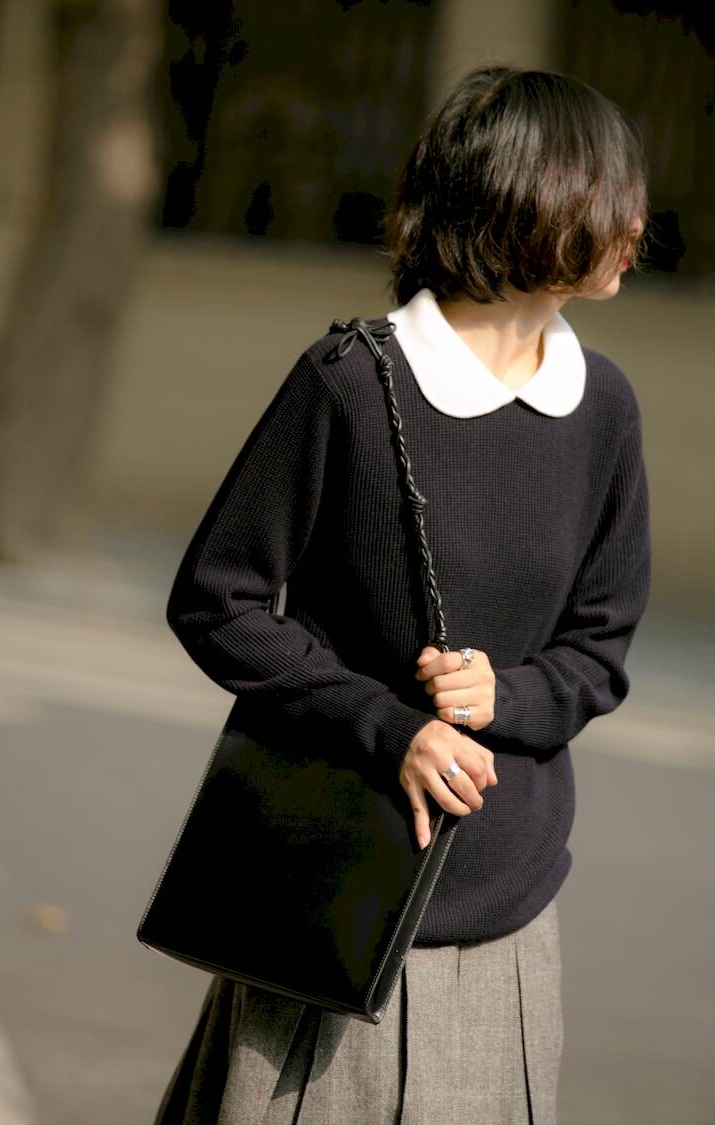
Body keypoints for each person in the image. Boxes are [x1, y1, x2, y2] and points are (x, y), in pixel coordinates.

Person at [152, 64, 651, 1125]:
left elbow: (601, 644)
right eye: (613, 193)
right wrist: (391, 729)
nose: (636, 223)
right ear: (531, 199)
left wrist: (507, 695)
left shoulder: (603, 407)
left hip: (510, 914)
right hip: (335, 893)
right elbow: (216, 599)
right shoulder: (348, 382)